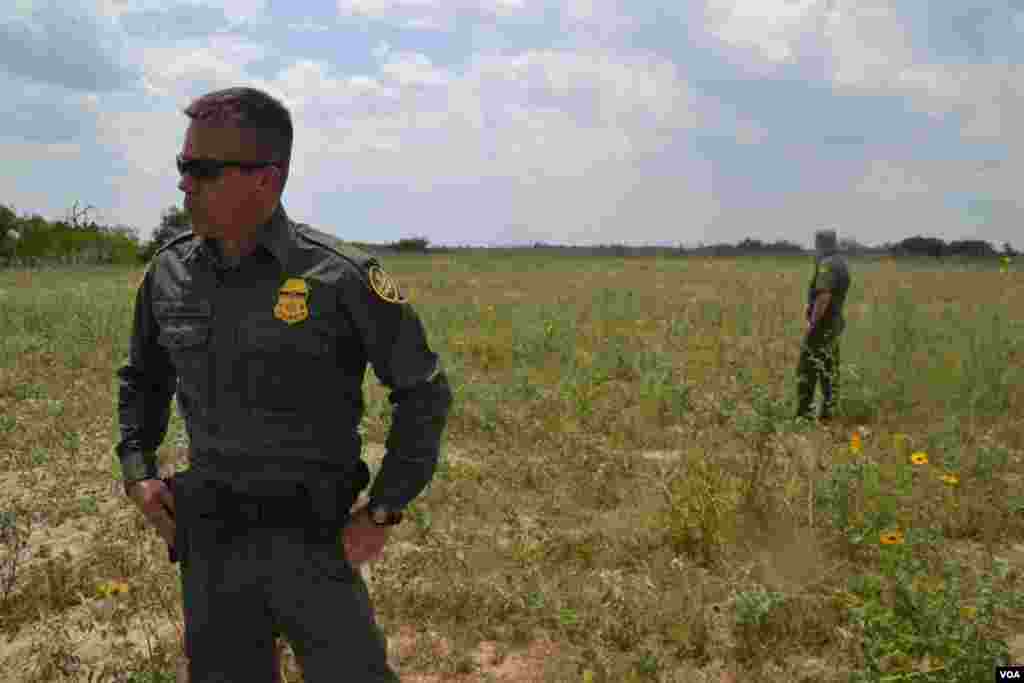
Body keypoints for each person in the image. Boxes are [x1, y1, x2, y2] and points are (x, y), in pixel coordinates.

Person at [116, 87, 453, 683]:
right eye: (181, 167)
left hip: (315, 537)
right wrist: (139, 472)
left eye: (202, 170)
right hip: (211, 536)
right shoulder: (169, 272)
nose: (183, 185)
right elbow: (142, 379)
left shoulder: (340, 276)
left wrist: (382, 511)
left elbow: (423, 391)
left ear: (266, 180)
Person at [796, 228, 851, 423]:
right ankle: (829, 413)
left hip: (823, 325)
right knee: (829, 369)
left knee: (807, 369)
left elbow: (824, 295)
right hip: (834, 324)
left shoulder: (827, 264)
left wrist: (812, 323)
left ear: (820, 243)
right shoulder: (841, 262)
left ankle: (804, 414)